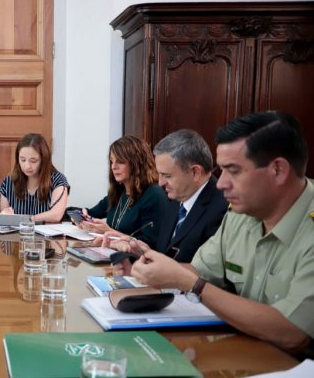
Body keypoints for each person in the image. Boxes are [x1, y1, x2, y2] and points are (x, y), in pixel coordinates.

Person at [131, 112, 313, 356]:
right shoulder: (240, 215)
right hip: (244, 358)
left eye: (234, 171)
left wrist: (191, 284)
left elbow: (293, 333)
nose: (220, 183)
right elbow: (200, 269)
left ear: (278, 170)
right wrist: (156, 267)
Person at [110, 130, 228, 262]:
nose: (160, 183)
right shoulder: (177, 199)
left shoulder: (223, 210)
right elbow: (165, 256)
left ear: (195, 172)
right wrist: (142, 253)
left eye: (167, 176)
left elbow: (205, 274)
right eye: (159, 174)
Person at [80, 135, 168, 248]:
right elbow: (91, 213)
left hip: (135, 262)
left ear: (137, 163)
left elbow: (152, 245)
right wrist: (81, 217)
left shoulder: (154, 194)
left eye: (120, 161)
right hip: (111, 255)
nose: (113, 167)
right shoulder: (118, 192)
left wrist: (109, 232)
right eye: (111, 161)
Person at [0, 133, 70, 222]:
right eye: (23, 160)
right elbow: (5, 218)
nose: (27, 166)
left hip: (46, 235)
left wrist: (27, 220)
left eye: (33, 161)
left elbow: (56, 215)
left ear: (44, 160)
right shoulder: (8, 182)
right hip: (16, 235)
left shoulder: (58, 180)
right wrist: (5, 215)